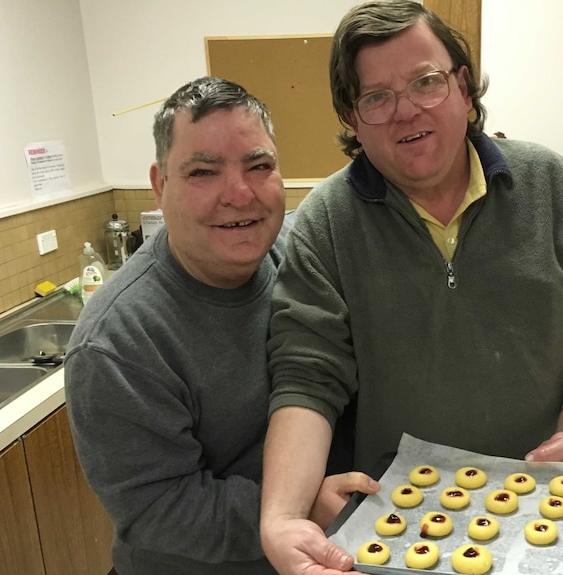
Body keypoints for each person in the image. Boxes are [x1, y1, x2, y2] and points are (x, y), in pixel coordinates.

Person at [260, 1, 563, 572]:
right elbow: (307, 379)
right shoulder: (324, 224)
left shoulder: (551, 186)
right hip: (402, 526)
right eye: (377, 97)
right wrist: (283, 516)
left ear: (463, 86)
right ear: (352, 118)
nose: (406, 111)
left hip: (549, 501)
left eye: (425, 82)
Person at [64, 76, 378, 575]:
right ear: (160, 185)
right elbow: (157, 506)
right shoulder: (117, 342)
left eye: (259, 166)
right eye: (204, 172)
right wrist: (297, 510)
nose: (239, 194)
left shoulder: (299, 257)